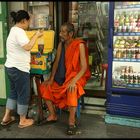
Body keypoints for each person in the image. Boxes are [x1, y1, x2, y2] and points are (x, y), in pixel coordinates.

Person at [39, 22, 91, 135]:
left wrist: (73, 81)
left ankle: (71, 122)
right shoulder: (60, 45)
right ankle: (53, 115)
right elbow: (56, 63)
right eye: (60, 31)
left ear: (71, 33)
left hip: (76, 76)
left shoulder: (79, 45)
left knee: (72, 89)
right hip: (63, 77)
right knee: (44, 86)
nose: (60, 34)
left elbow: (84, 67)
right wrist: (51, 78)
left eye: (63, 32)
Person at [1, 10, 43, 128]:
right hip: (19, 69)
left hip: (10, 67)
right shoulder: (19, 32)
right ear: (24, 21)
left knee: (13, 92)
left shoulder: (13, 30)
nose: (29, 24)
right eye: (29, 21)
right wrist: (36, 35)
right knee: (23, 94)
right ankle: (23, 120)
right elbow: (28, 47)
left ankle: (6, 117)